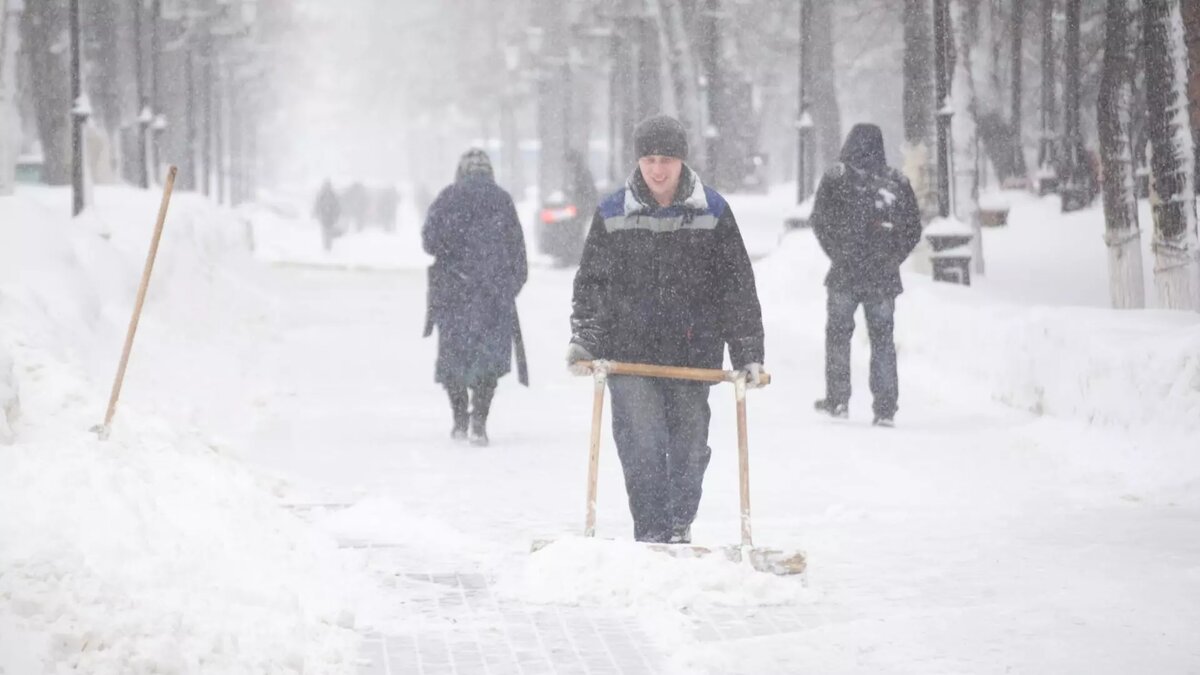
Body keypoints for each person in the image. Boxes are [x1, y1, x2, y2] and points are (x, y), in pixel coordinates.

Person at [566, 115, 765, 544]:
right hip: (630, 355)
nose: (658, 170)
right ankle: (653, 533)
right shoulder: (613, 213)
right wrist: (585, 338)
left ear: (682, 162)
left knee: (690, 450)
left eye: (667, 160)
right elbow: (593, 284)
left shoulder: (713, 212)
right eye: (650, 159)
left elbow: (736, 286)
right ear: (638, 161)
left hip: (693, 354)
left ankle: (678, 523)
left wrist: (747, 350)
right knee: (642, 446)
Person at [810, 123, 922, 427]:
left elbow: (819, 220)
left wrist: (838, 251)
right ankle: (885, 408)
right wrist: (892, 256)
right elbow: (913, 228)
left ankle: (838, 400)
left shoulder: (837, 178)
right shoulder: (896, 182)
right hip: (883, 277)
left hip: (845, 273)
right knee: (883, 339)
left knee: (838, 336)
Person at [423, 149, 528, 446]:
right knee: (488, 361)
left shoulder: (448, 198)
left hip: (454, 294)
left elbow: (429, 241)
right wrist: (509, 286)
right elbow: (518, 251)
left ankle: (459, 419)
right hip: (493, 296)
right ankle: (479, 419)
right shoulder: (502, 200)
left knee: (454, 359)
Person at [312, 179, 341, 251]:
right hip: (324, 216)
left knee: (328, 231)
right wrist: (316, 212)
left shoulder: (333, 195)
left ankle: (328, 245)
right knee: (325, 231)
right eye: (326, 185)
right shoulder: (322, 195)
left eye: (328, 185)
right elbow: (317, 204)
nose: (327, 187)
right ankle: (326, 245)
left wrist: (336, 215)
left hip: (330, 216)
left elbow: (337, 206)